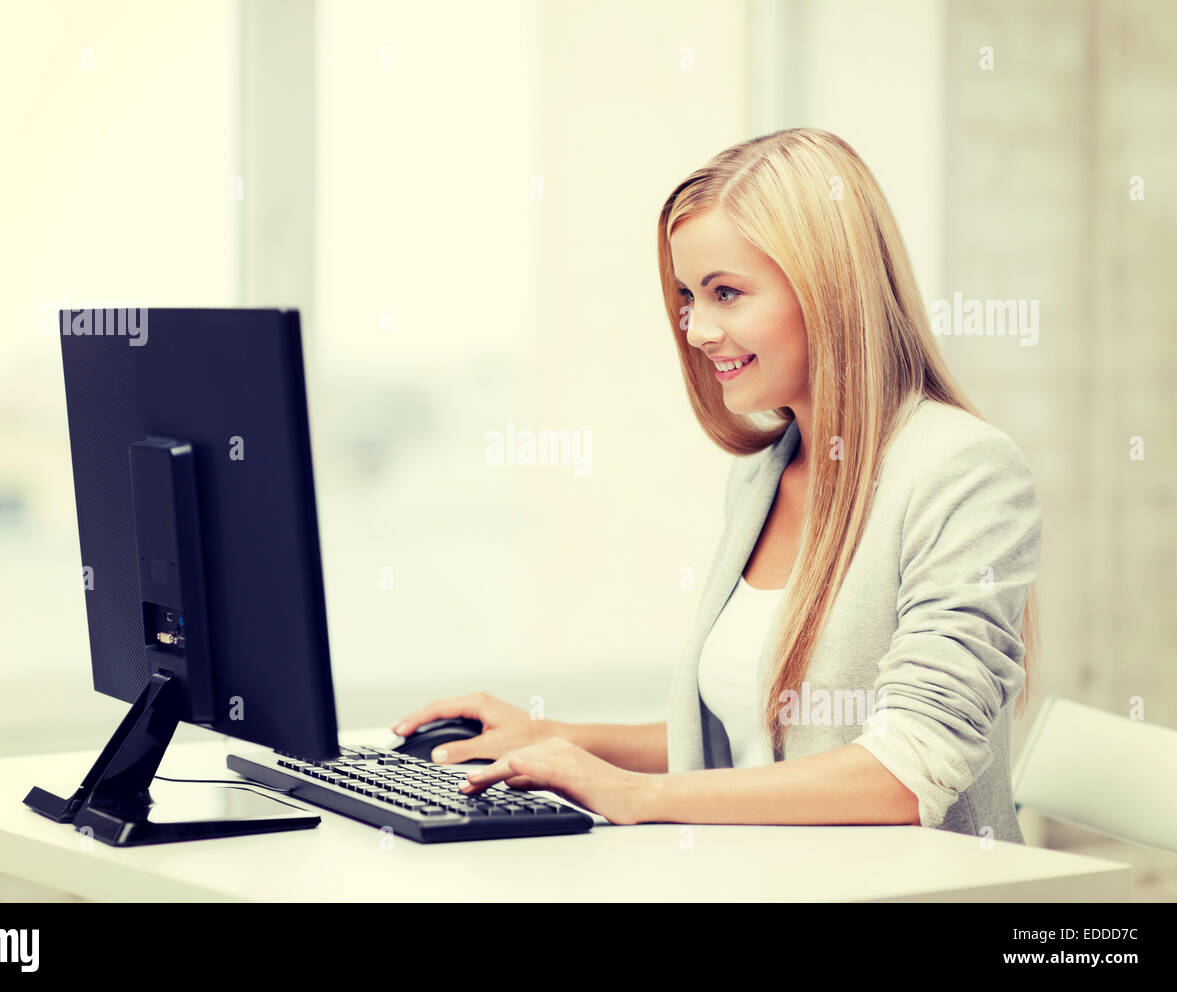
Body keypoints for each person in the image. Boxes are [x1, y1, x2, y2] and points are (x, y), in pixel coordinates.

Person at [392, 127, 1042, 842]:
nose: (698, 329)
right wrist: (556, 738)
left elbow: (908, 769)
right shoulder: (763, 477)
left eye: (726, 293)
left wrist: (635, 795)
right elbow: (748, 744)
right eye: (688, 296)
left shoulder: (963, 470)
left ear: (830, 289)